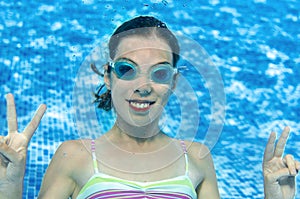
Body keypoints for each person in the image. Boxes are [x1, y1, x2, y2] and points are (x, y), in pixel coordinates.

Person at [0, 16, 298, 199]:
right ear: (108, 75)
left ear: (174, 82)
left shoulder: (196, 156)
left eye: (159, 73)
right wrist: (10, 183)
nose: (143, 85)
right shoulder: (73, 154)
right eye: (127, 69)